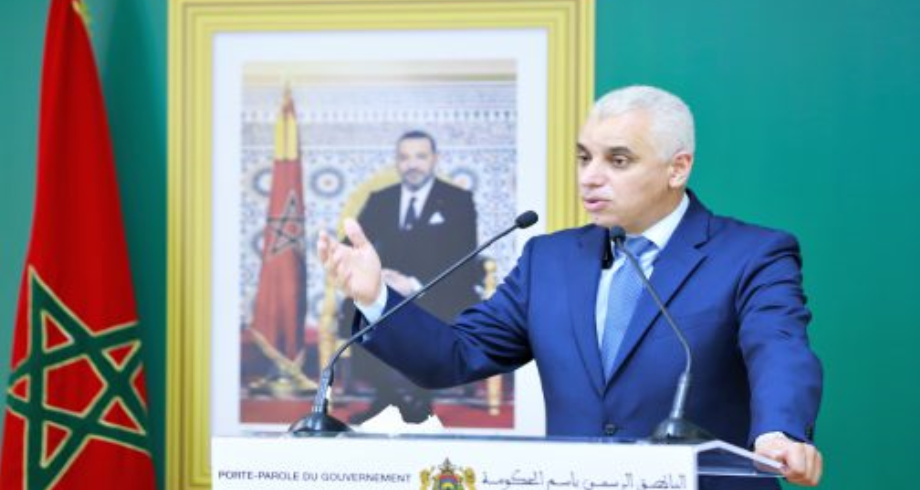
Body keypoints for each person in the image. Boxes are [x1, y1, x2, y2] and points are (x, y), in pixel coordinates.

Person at [319, 86, 823, 488]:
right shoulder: (549, 260)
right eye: (584, 158)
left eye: (617, 161)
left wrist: (779, 431)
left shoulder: (752, 255)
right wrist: (374, 297)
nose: (590, 178)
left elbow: (778, 349)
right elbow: (454, 356)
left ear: (677, 168)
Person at [343, 130, 480, 423]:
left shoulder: (458, 200)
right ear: (396, 161)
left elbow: (464, 258)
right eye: (404, 157)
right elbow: (351, 245)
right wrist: (377, 275)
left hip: (438, 290)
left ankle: (409, 401)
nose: (412, 164)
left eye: (420, 156)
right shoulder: (381, 199)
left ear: (435, 159)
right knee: (359, 310)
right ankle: (393, 398)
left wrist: (415, 285)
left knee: (414, 313)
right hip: (385, 290)